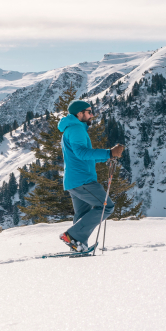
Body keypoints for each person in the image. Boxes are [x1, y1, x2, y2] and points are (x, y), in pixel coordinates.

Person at [58, 100, 125, 251]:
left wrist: (108, 156)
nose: (92, 115)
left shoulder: (72, 128)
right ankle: (73, 236)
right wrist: (108, 152)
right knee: (106, 206)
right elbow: (82, 153)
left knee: (83, 214)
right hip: (83, 180)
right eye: (89, 112)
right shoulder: (76, 129)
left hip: (74, 180)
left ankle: (78, 246)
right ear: (79, 113)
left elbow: (83, 155)